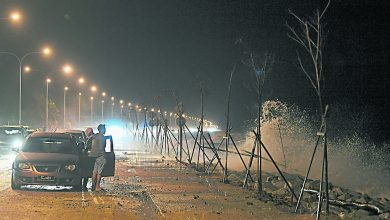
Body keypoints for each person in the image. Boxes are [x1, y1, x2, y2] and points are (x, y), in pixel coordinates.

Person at [89, 124, 107, 191]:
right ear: (102, 130)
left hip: (93, 156)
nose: (105, 130)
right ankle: (97, 186)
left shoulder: (94, 136)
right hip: (100, 156)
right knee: (99, 172)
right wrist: (104, 155)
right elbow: (102, 147)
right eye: (104, 129)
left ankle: (93, 186)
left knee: (94, 172)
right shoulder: (103, 137)